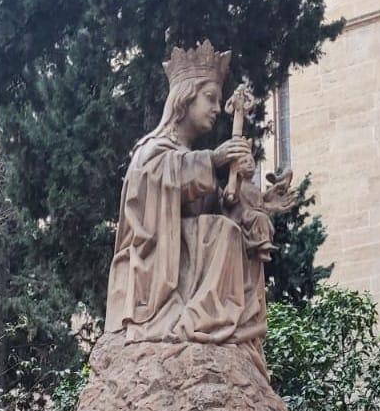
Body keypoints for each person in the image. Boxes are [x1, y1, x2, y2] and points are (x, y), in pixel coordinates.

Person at [104, 41, 265, 352]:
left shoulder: (187, 154)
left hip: (187, 252)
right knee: (224, 234)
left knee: (230, 232)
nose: (218, 109)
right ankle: (194, 319)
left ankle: (209, 319)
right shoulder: (153, 148)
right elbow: (150, 187)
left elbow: (214, 210)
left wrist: (239, 183)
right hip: (153, 261)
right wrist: (212, 160)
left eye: (219, 101)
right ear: (185, 97)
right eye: (210, 99)